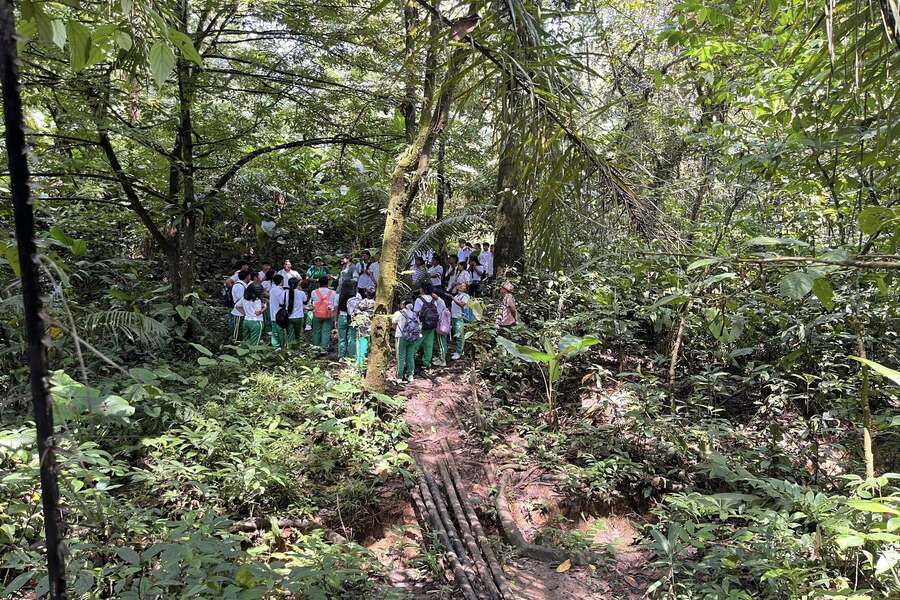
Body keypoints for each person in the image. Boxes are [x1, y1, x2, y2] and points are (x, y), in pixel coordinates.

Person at [413, 282, 446, 370]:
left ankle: (411, 360)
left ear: (422, 289)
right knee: (429, 344)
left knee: (416, 343)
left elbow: (416, 312)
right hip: (432, 325)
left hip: (422, 325)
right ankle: (426, 363)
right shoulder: (433, 299)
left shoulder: (419, 299)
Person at [392, 301, 421, 383]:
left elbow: (393, 323)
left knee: (400, 357)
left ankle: (399, 377)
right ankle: (410, 375)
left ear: (403, 305)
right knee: (410, 356)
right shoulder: (414, 314)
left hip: (401, 337)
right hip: (413, 337)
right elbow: (418, 324)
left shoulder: (398, 313)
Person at [350, 288, 375, 372]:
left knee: (361, 349)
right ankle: (367, 367)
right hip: (373, 330)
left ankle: (361, 368)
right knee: (370, 349)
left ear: (365, 293)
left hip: (363, 330)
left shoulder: (362, 302)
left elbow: (354, 314)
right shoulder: (377, 303)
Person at [309, 275, 336, 352]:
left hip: (317, 313)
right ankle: (324, 349)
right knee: (326, 332)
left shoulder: (314, 292)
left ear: (319, 283)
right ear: (328, 283)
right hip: (328, 314)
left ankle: (315, 348)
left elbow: (313, 302)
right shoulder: (333, 292)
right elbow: (333, 304)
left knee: (316, 331)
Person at [336, 279, 358, 359]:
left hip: (342, 316)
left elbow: (336, 308)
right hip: (353, 318)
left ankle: (341, 356)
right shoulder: (357, 295)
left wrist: (335, 319)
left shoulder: (339, 295)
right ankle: (351, 357)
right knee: (352, 338)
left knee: (342, 338)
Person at [229, 270, 251, 341]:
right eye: (249, 276)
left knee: (241, 330)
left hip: (243, 312)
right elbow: (240, 300)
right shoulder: (239, 286)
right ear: (247, 276)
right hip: (238, 313)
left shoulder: (244, 285)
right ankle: (234, 343)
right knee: (237, 331)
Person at [450, 282, 470, 360]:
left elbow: (462, 304)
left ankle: (459, 352)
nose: (461, 286)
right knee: (456, 334)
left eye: (463, 286)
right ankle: (458, 350)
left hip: (460, 317)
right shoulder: (457, 296)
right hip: (454, 317)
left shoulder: (465, 296)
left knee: (459, 335)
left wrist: (452, 298)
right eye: (460, 285)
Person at [286, 277, 307, 346]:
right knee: (298, 335)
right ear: (297, 284)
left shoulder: (285, 293)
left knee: (290, 335)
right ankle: (298, 349)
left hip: (288, 316)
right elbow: (305, 300)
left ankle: (289, 351)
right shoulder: (301, 293)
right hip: (299, 317)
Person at [269, 274, 287, 349]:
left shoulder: (272, 290)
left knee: (274, 331)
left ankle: (275, 346)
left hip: (272, 313)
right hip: (280, 314)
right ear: (281, 281)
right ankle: (282, 345)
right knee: (281, 331)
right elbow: (282, 302)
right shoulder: (281, 291)